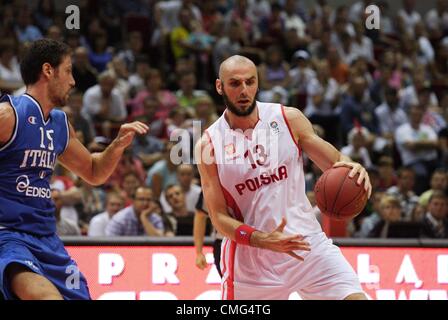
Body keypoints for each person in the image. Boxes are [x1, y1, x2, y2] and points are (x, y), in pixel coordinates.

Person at [195, 55, 372, 300]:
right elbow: (218, 217)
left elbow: (336, 163)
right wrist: (261, 239)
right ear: (219, 86)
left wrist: (354, 169)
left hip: (307, 245)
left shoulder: (288, 119)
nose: (244, 90)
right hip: (251, 262)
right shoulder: (209, 144)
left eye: (250, 82)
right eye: (235, 83)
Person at [0, 39, 149, 300]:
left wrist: (117, 145)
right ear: (48, 70)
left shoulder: (59, 122)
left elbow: (94, 172)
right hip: (8, 238)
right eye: (68, 71)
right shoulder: (8, 115)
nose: (73, 81)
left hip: (47, 239)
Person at [193, 191, 223, 277]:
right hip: (224, 243)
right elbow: (200, 215)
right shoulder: (212, 182)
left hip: (256, 242)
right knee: (232, 288)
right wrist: (199, 252)